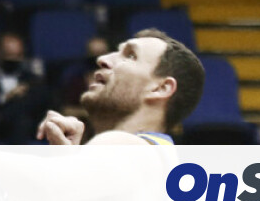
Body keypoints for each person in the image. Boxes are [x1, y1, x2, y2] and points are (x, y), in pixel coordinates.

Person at [36, 28, 204, 145]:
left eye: (131, 56)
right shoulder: (153, 155)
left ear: (161, 88)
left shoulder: (123, 145)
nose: (102, 59)